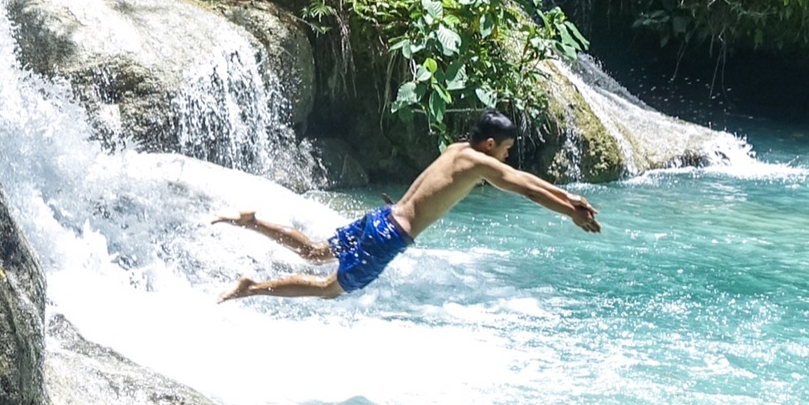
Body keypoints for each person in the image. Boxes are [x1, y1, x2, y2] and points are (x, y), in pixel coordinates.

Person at [216, 109, 601, 302]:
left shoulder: (457, 151)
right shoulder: (480, 163)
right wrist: (569, 213)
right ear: (490, 146)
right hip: (393, 234)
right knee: (328, 288)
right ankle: (252, 288)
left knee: (316, 251)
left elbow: (527, 181)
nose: (506, 155)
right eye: (506, 148)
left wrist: (569, 197)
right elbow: (526, 190)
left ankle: (252, 222)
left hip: (382, 217)